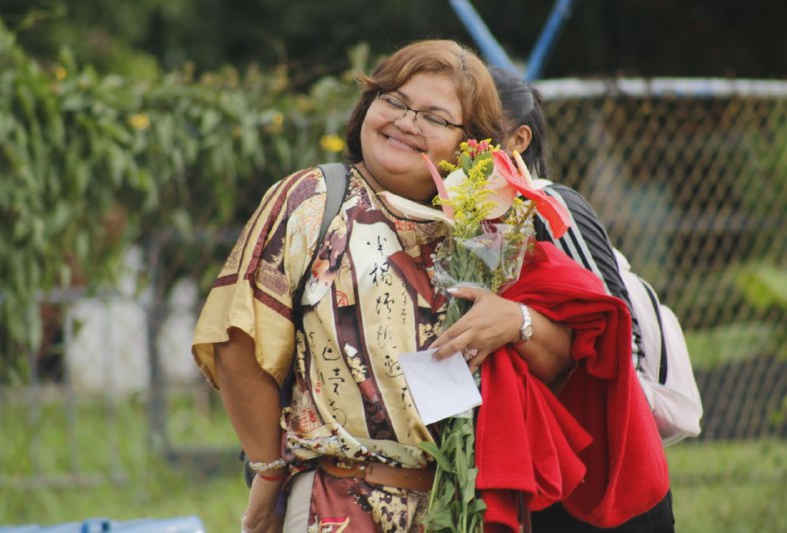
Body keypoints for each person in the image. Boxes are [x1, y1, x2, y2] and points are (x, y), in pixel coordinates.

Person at [191, 40, 575, 533]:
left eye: (434, 117)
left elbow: (566, 363)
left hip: (461, 510)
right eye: (393, 100)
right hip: (339, 500)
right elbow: (237, 341)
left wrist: (518, 322)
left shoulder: (493, 227)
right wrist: (268, 475)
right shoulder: (312, 200)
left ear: (472, 141)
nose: (406, 122)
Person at [488, 66, 676, 532]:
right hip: (538, 459)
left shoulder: (551, 209)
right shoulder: (470, 217)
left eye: (476, 127)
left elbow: (618, 338)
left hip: (594, 463)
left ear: (519, 139)